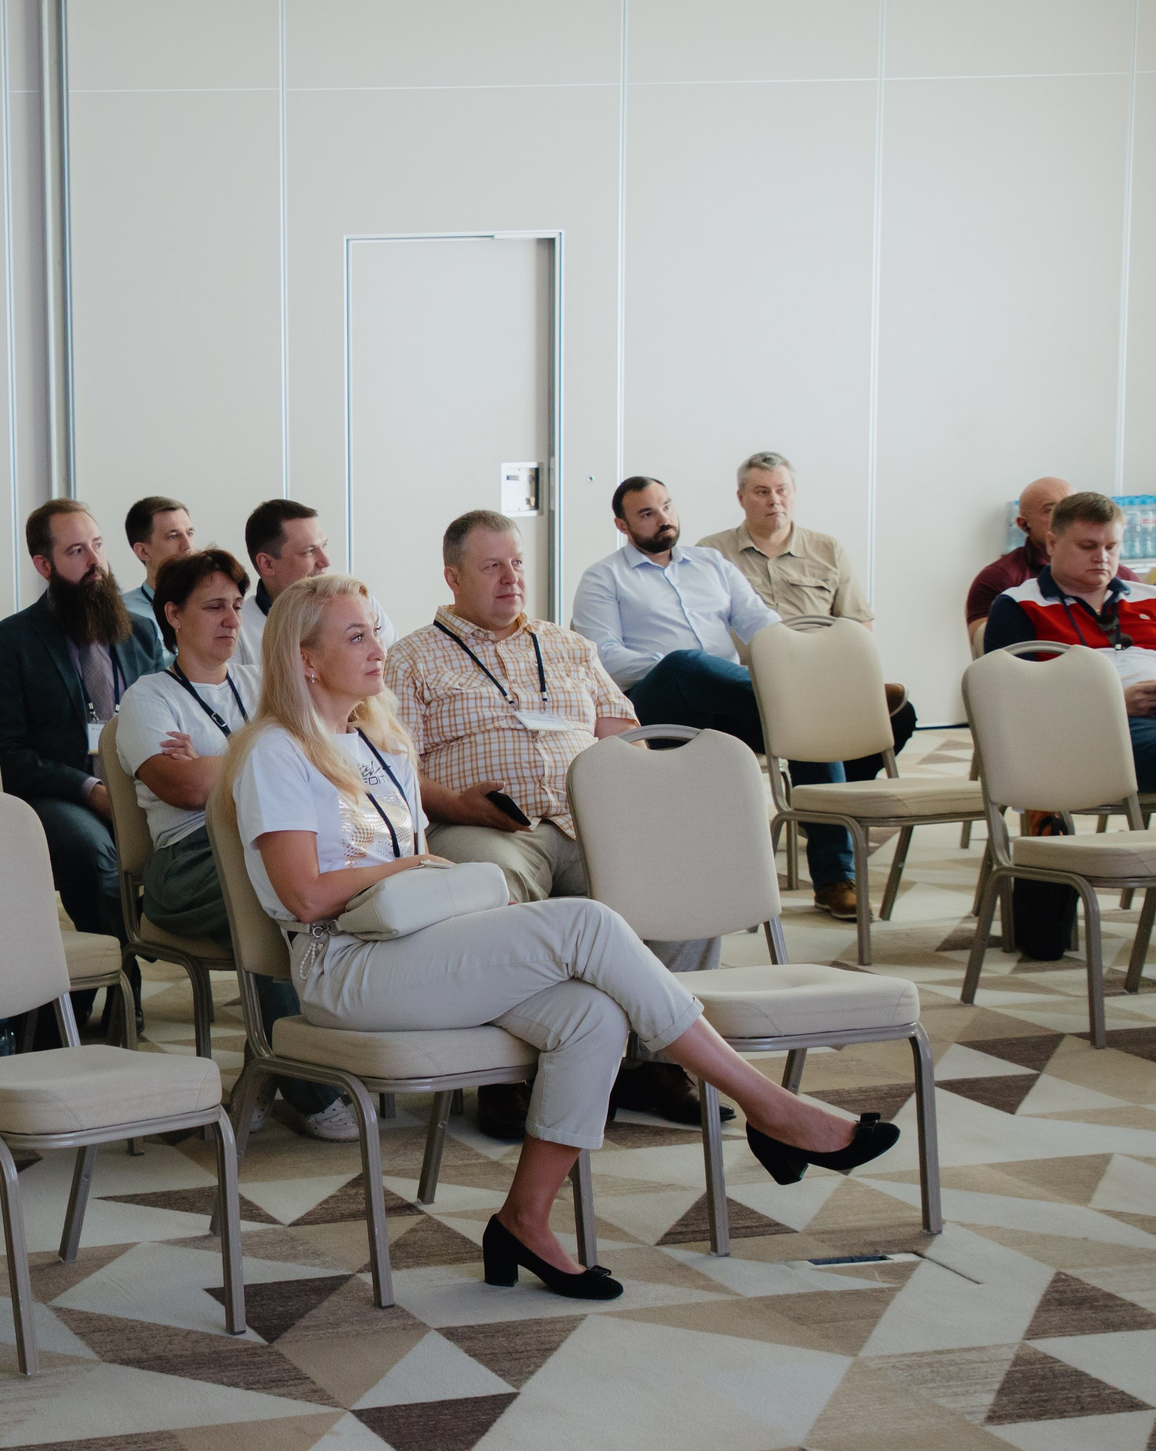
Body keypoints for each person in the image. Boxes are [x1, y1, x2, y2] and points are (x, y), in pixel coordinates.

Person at [231, 575, 896, 1300]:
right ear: (304, 659)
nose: (377, 648)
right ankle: (770, 1106)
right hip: (343, 965)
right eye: (355, 636)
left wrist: (421, 878)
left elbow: (399, 884)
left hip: (417, 942)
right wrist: (414, 863)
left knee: (593, 1014)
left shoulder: (380, 738)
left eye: (375, 630)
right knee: (585, 921)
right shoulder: (275, 750)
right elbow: (301, 892)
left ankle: (524, 1219)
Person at [385, 511, 719, 1135]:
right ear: (453, 577)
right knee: (493, 888)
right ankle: (504, 1072)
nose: (511, 578)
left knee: (673, 880)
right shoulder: (410, 660)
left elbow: (623, 734)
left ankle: (650, 1063)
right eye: (492, 567)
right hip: (485, 824)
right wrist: (457, 805)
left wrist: (629, 796)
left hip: (588, 819)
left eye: (516, 563)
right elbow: (396, 770)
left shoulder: (568, 645)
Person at [114, 550, 355, 1141]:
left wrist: (220, 764)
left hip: (264, 841)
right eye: (213, 607)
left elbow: (332, 753)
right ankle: (307, 1084)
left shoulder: (260, 682)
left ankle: (279, 1065)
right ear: (172, 614)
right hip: (186, 864)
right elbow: (184, 787)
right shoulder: (150, 696)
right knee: (275, 901)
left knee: (340, 889)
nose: (230, 619)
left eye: (237, 607)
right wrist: (274, 759)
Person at [570, 477, 877, 922]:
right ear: (622, 524)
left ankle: (834, 878)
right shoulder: (604, 577)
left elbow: (762, 625)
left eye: (667, 506)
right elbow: (603, 658)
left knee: (805, 722)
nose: (664, 519)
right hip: (655, 704)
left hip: (726, 699)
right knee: (685, 664)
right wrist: (675, 665)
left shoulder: (711, 563)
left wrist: (790, 660)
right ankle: (824, 696)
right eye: (647, 514)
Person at [0, 499, 165, 1032]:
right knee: (93, 853)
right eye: (77, 551)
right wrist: (88, 789)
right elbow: (6, 751)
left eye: (99, 546)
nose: (96, 562)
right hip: (60, 793)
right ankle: (119, 982)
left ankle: (140, 956)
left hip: (140, 785)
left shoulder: (141, 631)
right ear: (45, 565)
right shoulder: (13, 639)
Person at [699, 451, 917, 751]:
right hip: (752, 687)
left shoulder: (827, 549)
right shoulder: (711, 553)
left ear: (794, 493)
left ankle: (838, 793)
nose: (774, 500)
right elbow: (699, 629)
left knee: (900, 716)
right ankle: (816, 780)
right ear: (741, 497)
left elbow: (857, 626)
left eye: (782, 490)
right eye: (762, 492)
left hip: (823, 679)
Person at [984, 492, 1156, 792]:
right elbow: (1010, 703)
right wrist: (1114, 704)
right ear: (1052, 544)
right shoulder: (1017, 605)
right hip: (1089, 732)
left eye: (1112, 547)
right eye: (1088, 546)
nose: (1102, 557)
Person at [968, 477, 1135, 631]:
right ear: (1024, 524)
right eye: (1051, 509)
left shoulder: (1122, 577)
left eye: (1073, 506)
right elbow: (990, 655)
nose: (1065, 515)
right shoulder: (1002, 578)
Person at [240, 498, 395, 652]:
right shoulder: (237, 630)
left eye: (324, 545)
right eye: (309, 551)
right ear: (267, 564)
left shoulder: (362, 605)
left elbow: (393, 668)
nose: (326, 561)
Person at [122, 496, 196, 630]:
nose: (188, 546)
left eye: (189, 533)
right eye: (173, 536)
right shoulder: (124, 616)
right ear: (143, 551)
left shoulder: (214, 608)